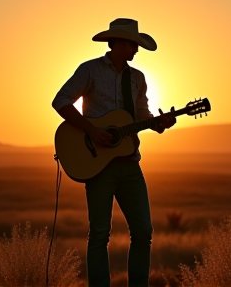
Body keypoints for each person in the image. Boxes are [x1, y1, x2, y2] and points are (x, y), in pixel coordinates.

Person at [52, 18, 176, 287]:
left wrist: (159, 124)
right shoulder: (90, 71)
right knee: (99, 233)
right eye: (133, 43)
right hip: (98, 165)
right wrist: (92, 131)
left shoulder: (138, 78)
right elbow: (60, 101)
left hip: (130, 163)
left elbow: (140, 115)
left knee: (143, 231)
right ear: (117, 42)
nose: (136, 49)